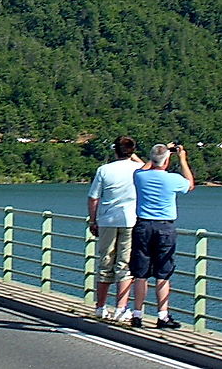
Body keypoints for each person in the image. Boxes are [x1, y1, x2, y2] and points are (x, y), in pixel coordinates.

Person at [129, 142, 195, 329]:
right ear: (166, 161)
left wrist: (160, 152)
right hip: (165, 227)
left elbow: (145, 167)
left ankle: (137, 315)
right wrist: (182, 159)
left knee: (140, 273)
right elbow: (190, 184)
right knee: (163, 273)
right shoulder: (173, 179)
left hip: (143, 226)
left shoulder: (140, 176)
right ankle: (162, 316)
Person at [86, 136, 143, 322]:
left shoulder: (104, 170)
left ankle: (100, 307)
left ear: (115, 150)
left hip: (107, 220)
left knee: (105, 263)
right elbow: (151, 167)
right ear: (132, 151)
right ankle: (121, 308)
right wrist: (135, 157)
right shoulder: (139, 170)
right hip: (131, 221)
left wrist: (93, 220)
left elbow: (93, 197)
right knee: (124, 265)